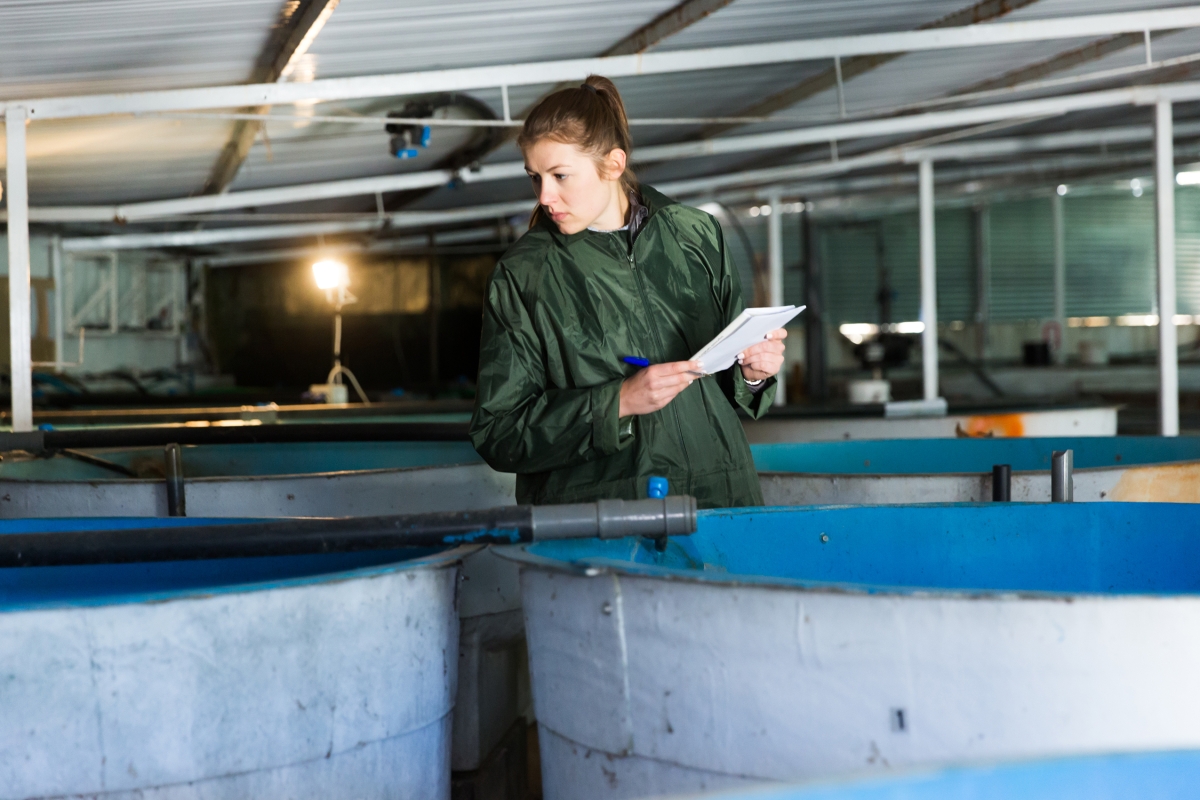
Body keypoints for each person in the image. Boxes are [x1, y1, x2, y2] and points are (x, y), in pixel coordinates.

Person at [469, 75, 786, 508]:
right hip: (605, 518)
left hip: (722, 499)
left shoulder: (694, 234)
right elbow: (499, 431)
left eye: (560, 175)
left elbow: (729, 389)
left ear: (613, 164)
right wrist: (616, 403)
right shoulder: (526, 274)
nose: (545, 196)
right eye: (535, 177)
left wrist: (754, 373)